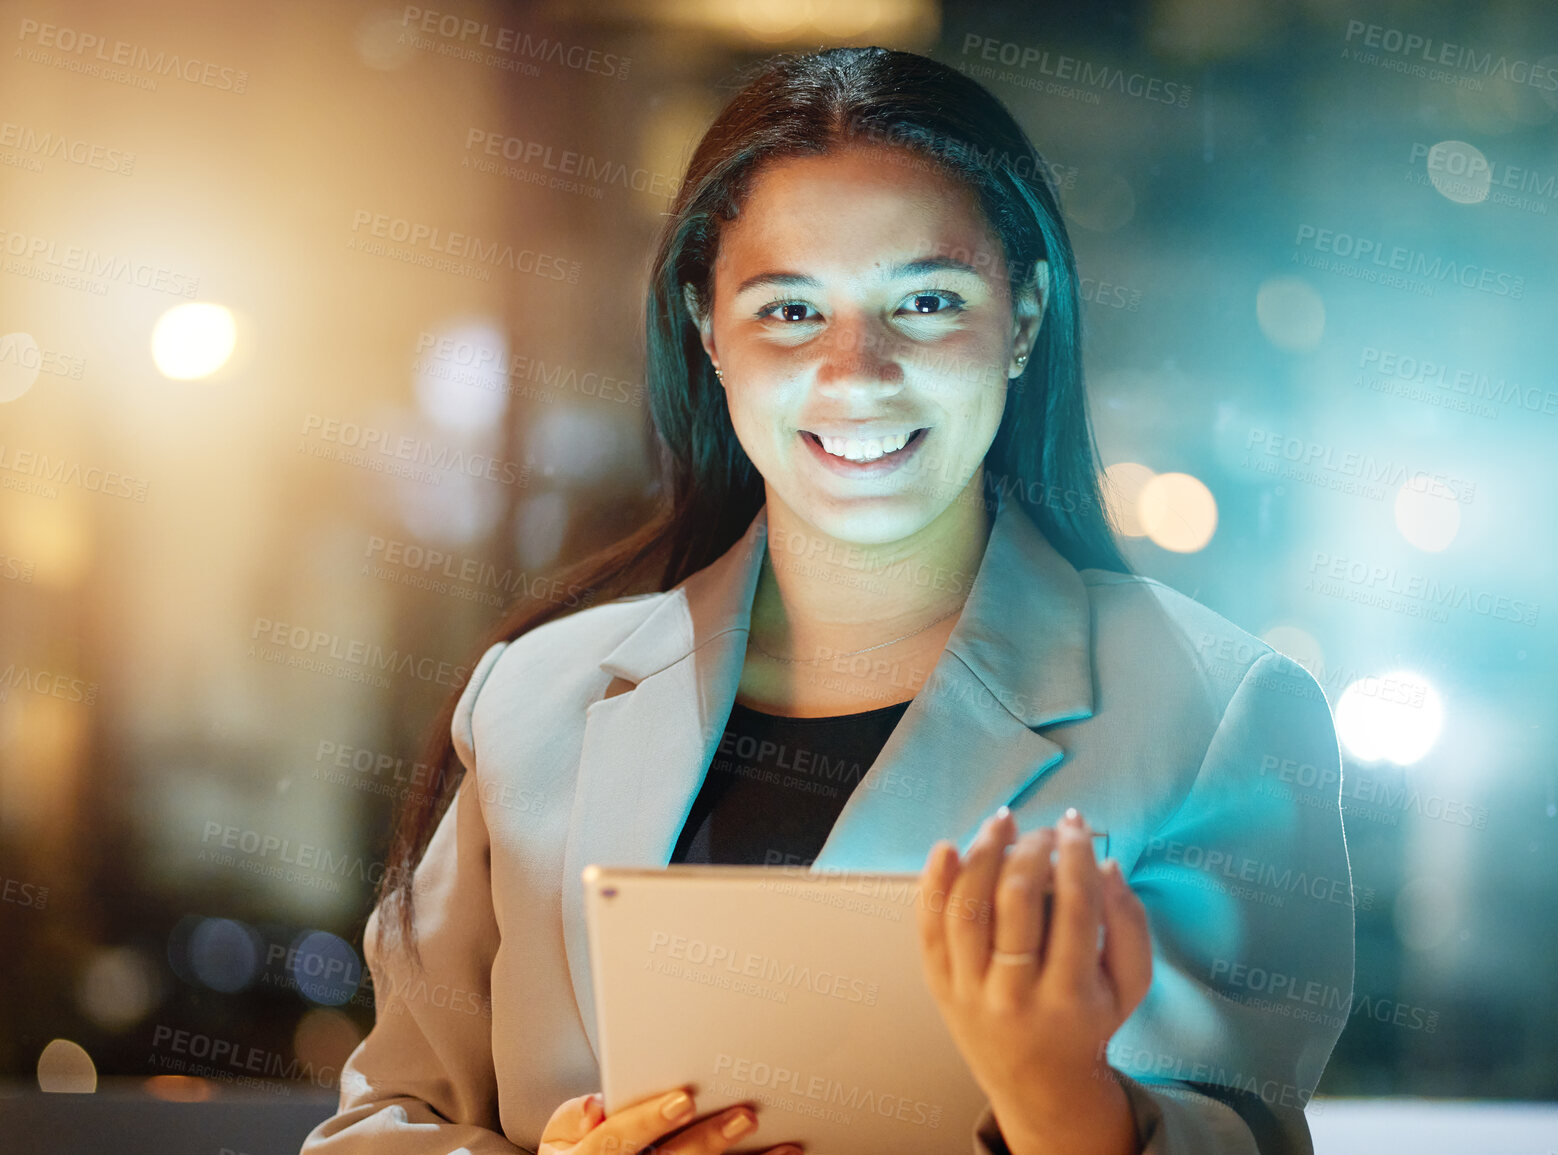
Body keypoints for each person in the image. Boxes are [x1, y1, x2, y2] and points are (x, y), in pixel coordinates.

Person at [302, 45, 1353, 1155]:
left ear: (1026, 315)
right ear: (708, 329)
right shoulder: (535, 700)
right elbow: (378, 1123)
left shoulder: (1214, 713)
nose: (857, 372)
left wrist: (1065, 1106)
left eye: (928, 301)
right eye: (791, 312)